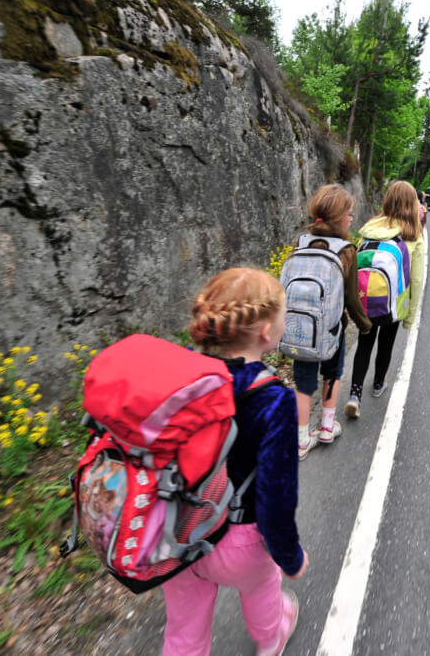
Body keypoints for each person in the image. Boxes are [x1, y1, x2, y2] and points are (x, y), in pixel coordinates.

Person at [162, 267, 309, 656]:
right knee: (263, 588)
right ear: (265, 331)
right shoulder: (274, 399)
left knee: (183, 626)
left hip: (176, 531)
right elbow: (276, 496)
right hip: (236, 539)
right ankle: (271, 637)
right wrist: (290, 557)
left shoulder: (182, 375)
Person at [291, 184, 372, 459]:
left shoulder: (300, 242)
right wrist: (364, 324)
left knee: (302, 383)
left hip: (300, 328)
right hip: (332, 328)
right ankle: (326, 427)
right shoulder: (347, 249)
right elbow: (351, 297)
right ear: (339, 216)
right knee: (333, 374)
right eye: (349, 213)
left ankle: (302, 440)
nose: (351, 218)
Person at [345, 181, 424, 418]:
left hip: (366, 301)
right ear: (412, 204)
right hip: (394, 304)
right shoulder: (412, 234)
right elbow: (417, 280)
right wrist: (410, 316)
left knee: (364, 344)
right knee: (386, 344)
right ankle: (379, 384)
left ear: (387, 201)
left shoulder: (369, 228)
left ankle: (354, 395)